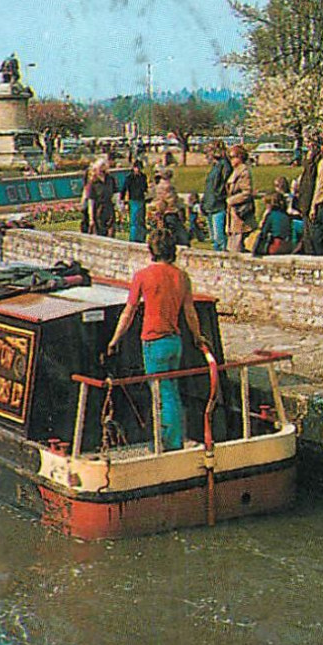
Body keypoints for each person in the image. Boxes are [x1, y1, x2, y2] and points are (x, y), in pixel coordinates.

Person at [104, 226, 205, 452]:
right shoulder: (182, 277)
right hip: (174, 341)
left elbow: (128, 312)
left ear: (151, 249)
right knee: (172, 389)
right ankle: (173, 437)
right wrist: (198, 337)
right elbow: (190, 312)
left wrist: (114, 339)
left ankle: (170, 443)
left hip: (153, 341)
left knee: (161, 392)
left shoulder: (142, 276)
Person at [224, 144, 256, 253]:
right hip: (233, 215)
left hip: (240, 214)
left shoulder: (244, 172)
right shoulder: (235, 171)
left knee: (237, 246)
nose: (231, 160)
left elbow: (247, 192)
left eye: (233, 157)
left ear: (240, 157)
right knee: (232, 244)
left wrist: (231, 200)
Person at [201, 142, 231, 251]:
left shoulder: (224, 166)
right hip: (210, 204)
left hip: (218, 205)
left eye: (208, 152)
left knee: (219, 239)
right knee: (214, 239)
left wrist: (218, 196)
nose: (206, 156)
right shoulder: (215, 167)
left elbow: (224, 184)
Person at [253, 190, 297, 255]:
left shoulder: (271, 216)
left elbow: (263, 233)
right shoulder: (287, 215)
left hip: (276, 247)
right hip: (288, 246)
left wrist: (255, 249)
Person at [82, 158, 116, 237]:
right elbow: (91, 201)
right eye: (100, 168)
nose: (101, 171)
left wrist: (119, 208)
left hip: (109, 208)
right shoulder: (93, 183)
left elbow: (115, 194)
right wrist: (91, 218)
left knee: (111, 232)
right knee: (100, 234)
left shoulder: (110, 179)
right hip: (98, 210)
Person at [122, 158, 149, 243]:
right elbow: (124, 189)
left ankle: (141, 237)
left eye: (139, 168)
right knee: (134, 220)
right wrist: (123, 201)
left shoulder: (143, 177)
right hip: (133, 200)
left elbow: (145, 188)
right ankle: (133, 238)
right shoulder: (129, 178)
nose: (138, 170)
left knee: (141, 220)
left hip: (141, 199)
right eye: (136, 168)